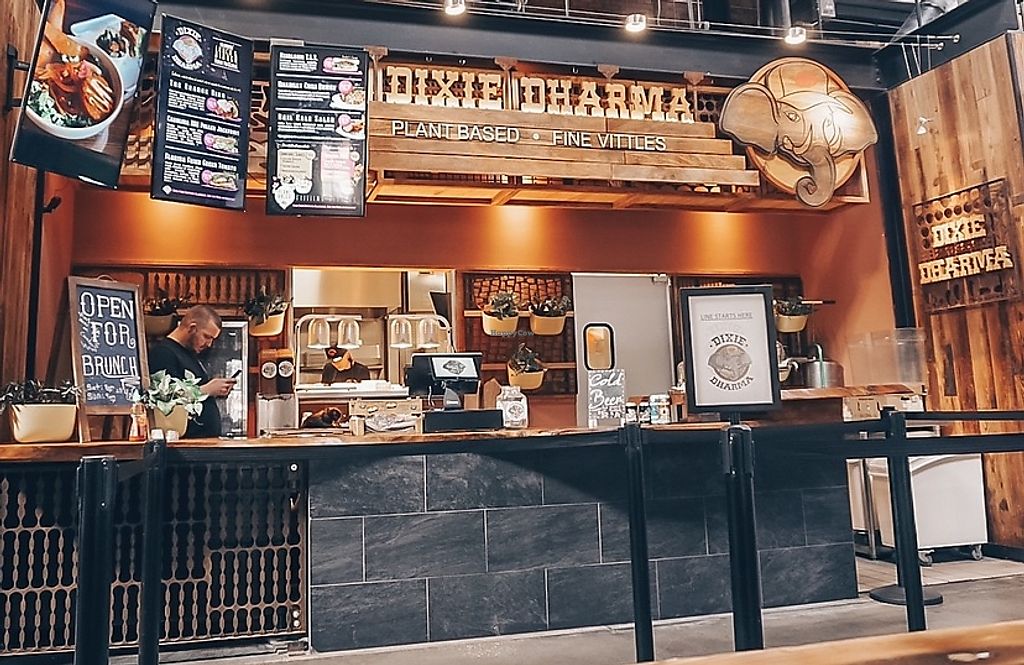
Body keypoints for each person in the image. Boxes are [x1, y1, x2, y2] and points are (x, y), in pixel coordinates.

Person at [148, 305, 235, 438]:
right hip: (185, 443)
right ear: (192, 328)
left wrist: (215, 391)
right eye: (207, 336)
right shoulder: (163, 353)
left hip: (202, 441)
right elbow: (166, 400)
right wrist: (207, 389)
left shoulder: (188, 354)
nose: (209, 344)